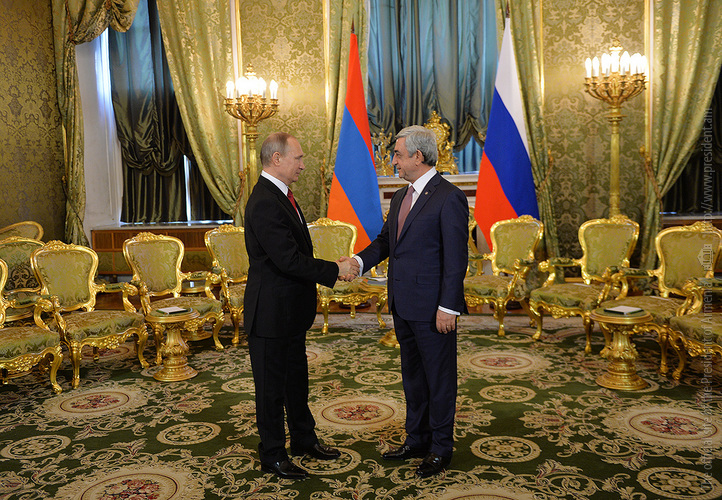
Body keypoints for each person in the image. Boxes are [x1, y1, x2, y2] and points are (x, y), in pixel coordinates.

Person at [353, 125, 468, 478]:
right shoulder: (402, 196)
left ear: (418, 156)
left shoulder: (449, 197)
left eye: (398, 155)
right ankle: (416, 440)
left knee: (439, 381)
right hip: (403, 303)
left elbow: (456, 259)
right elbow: (386, 243)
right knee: (414, 379)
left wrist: (448, 307)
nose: (393, 161)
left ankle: (440, 449)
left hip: (434, 309)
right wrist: (356, 262)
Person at [244, 132, 359, 480]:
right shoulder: (265, 201)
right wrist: (335, 269)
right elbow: (288, 260)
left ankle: (304, 439)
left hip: (289, 312)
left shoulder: (281, 196)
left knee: (296, 381)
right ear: (276, 159)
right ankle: (273, 454)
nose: (303, 165)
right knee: (271, 390)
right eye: (298, 158)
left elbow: (296, 255)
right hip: (270, 314)